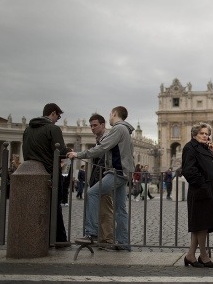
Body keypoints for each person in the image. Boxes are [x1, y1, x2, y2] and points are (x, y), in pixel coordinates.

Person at [68, 106, 135, 251]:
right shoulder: (126, 130)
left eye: (110, 114)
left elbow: (102, 148)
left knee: (92, 193)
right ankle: (122, 242)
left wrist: (78, 155)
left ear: (114, 114)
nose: (109, 117)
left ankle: (91, 233)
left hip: (116, 172)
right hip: (124, 172)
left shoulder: (118, 129)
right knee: (120, 209)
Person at [22, 103, 71, 246]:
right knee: (55, 206)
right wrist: (70, 150)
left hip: (31, 172)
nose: (58, 119)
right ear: (53, 113)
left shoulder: (28, 129)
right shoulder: (53, 129)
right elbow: (60, 151)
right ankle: (59, 239)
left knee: (34, 207)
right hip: (50, 173)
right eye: (58, 116)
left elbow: (26, 151)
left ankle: (37, 238)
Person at [181, 122, 213, 268]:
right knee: (201, 225)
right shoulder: (190, 148)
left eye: (207, 133)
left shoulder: (206, 149)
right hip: (200, 191)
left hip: (209, 190)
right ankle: (203, 256)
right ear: (195, 134)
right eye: (202, 133)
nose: (205, 136)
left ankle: (191, 256)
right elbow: (188, 170)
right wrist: (203, 185)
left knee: (201, 226)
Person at [87, 113, 115, 249]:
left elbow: (104, 161)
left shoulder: (107, 139)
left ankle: (107, 239)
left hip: (105, 177)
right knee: (102, 209)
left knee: (106, 209)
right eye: (91, 126)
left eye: (95, 125)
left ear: (103, 125)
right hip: (98, 178)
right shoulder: (99, 139)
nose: (92, 128)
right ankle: (103, 239)